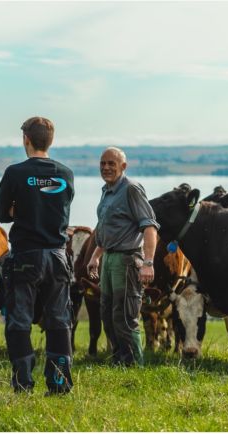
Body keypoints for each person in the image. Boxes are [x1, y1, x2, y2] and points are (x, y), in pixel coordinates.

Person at [0, 116, 75, 394]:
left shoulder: (15, 173)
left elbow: (1, 214)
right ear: (50, 141)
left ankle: (24, 383)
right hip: (57, 256)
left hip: (26, 256)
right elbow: (60, 209)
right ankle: (59, 384)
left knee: (19, 320)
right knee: (59, 320)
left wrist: (23, 208)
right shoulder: (65, 174)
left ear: (25, 140)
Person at [87, 147, 158, 366]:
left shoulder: (131, 189)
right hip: (109, 259)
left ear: (123, 166)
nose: (106, 167)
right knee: (107, 315)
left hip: (127, 260)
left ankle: (134, 366)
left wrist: (148, 263)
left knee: (125, 317)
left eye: (111, 163)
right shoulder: (107, 190)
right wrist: (96, 256)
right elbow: (105, 226)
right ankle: (119, 361)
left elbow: (149, 227)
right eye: (103, 163)